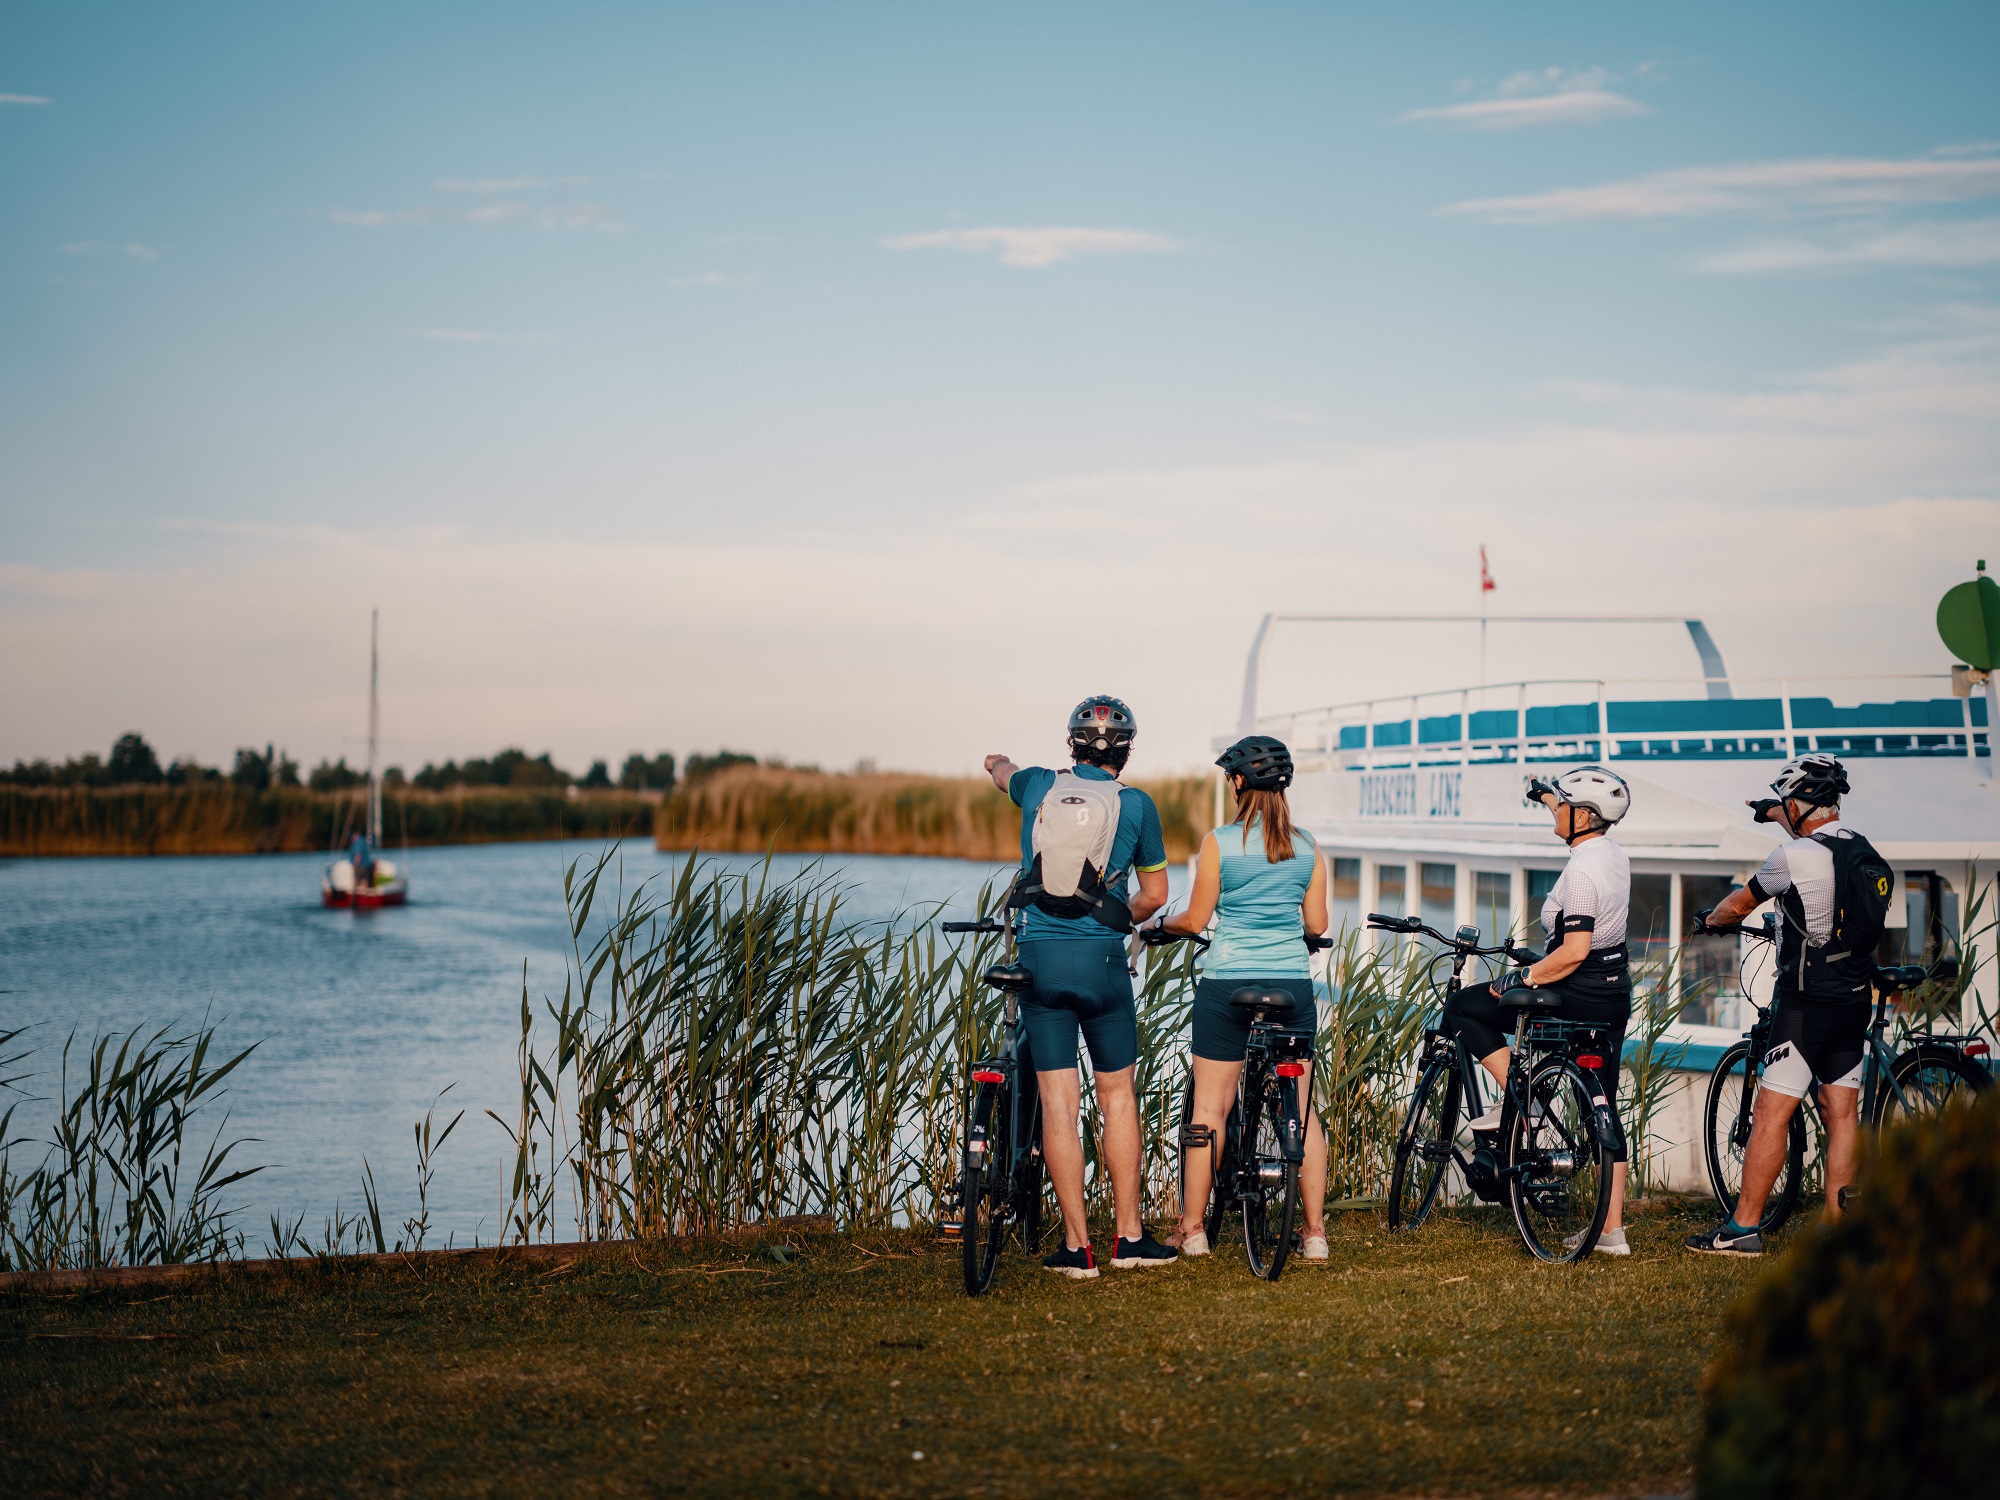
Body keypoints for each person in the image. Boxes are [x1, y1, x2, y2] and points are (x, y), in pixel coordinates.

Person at [983, 695, 1178, 1279]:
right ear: (1126, 750)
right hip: (1102, 963)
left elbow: (998, 768)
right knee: (1117, 1097)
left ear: (1071, 745)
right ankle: (1128, 1238)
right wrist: (1121, 913)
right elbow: (1157, 894)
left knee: (1059, 1104)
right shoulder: (1137, 805)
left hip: (1041, 959)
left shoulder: (1039, 784)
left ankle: (1077, 1249)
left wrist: (997, 764)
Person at [1685, 754, 1885, 1256]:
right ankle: (1836, 1225)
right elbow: (1813, 838)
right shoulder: (1861, 849)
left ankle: (1743, 1227)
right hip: (1853, 999)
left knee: (1771, 1112)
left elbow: (1740, 904)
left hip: (1805, 1004)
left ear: (1801, 802)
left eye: (1788, 802)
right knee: (1841, 1112)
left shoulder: (1789, 858)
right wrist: (1773, 811)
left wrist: (1712, 920)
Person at [1150, 735, 1332, 1261]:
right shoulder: (1308, 845)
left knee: (1209, 1106)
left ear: (1237, 783)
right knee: (1302, 1110)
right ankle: (1315, 1234)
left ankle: (1193, 1230)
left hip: (1228, 982)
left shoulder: (1220, 842)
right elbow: (1316, 924)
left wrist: (1163, 925)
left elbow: (1197, 919)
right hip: (1292, 986)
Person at [1442, 765, 1637, 1255]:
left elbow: (1573, 950)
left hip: (1573, 992)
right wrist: (1547, 797)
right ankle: (1612, 1232)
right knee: (1604, 1110)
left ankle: (1526, 1101)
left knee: (1462, 1008)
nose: (1557, 810)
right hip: (1614, 995)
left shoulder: (1585, 871)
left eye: (1563, 805)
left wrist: (1521, 977)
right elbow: (1589, 945)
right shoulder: (1611, 854)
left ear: (1584, 815)